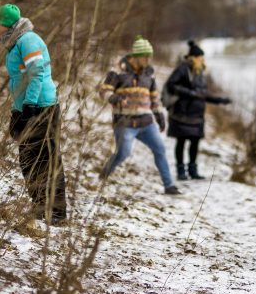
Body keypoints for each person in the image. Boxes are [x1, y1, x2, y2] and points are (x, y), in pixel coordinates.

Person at [0, 3, 68, 224]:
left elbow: (36, 74)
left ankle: (56, 212)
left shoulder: (29, 40)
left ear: (6, 24)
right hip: (26, 105)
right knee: (28, 159)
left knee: (47, 159)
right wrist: (18, 109)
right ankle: (39, 206)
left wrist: (30, 106)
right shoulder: (15, 42)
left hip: (41, 107)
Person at [98, 35, 180, 195]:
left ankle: (169, 185)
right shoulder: (117, 72)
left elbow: (154, 99)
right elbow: (103, 90)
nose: (148, 60)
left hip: (146, 123)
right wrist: (113, 97)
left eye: (149, 57)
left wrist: (160, 117)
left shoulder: (149, 75)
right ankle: (104, 174)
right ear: (136, 56)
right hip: (124, 123)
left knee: (160, 149)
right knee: (123, 153)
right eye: (145, 57)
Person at [164, 40, 232, 181]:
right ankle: (181, 171)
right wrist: (190, 93)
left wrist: (220, 100)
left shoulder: (200, 71)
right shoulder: (182, 68)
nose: (202, 59)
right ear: (194, 57)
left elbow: (203, 94)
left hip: (197, 115)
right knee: (181, 142)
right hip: (182, 114)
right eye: (200, 57)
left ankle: (193, 171)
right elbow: (171, 85)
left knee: (195, 143)